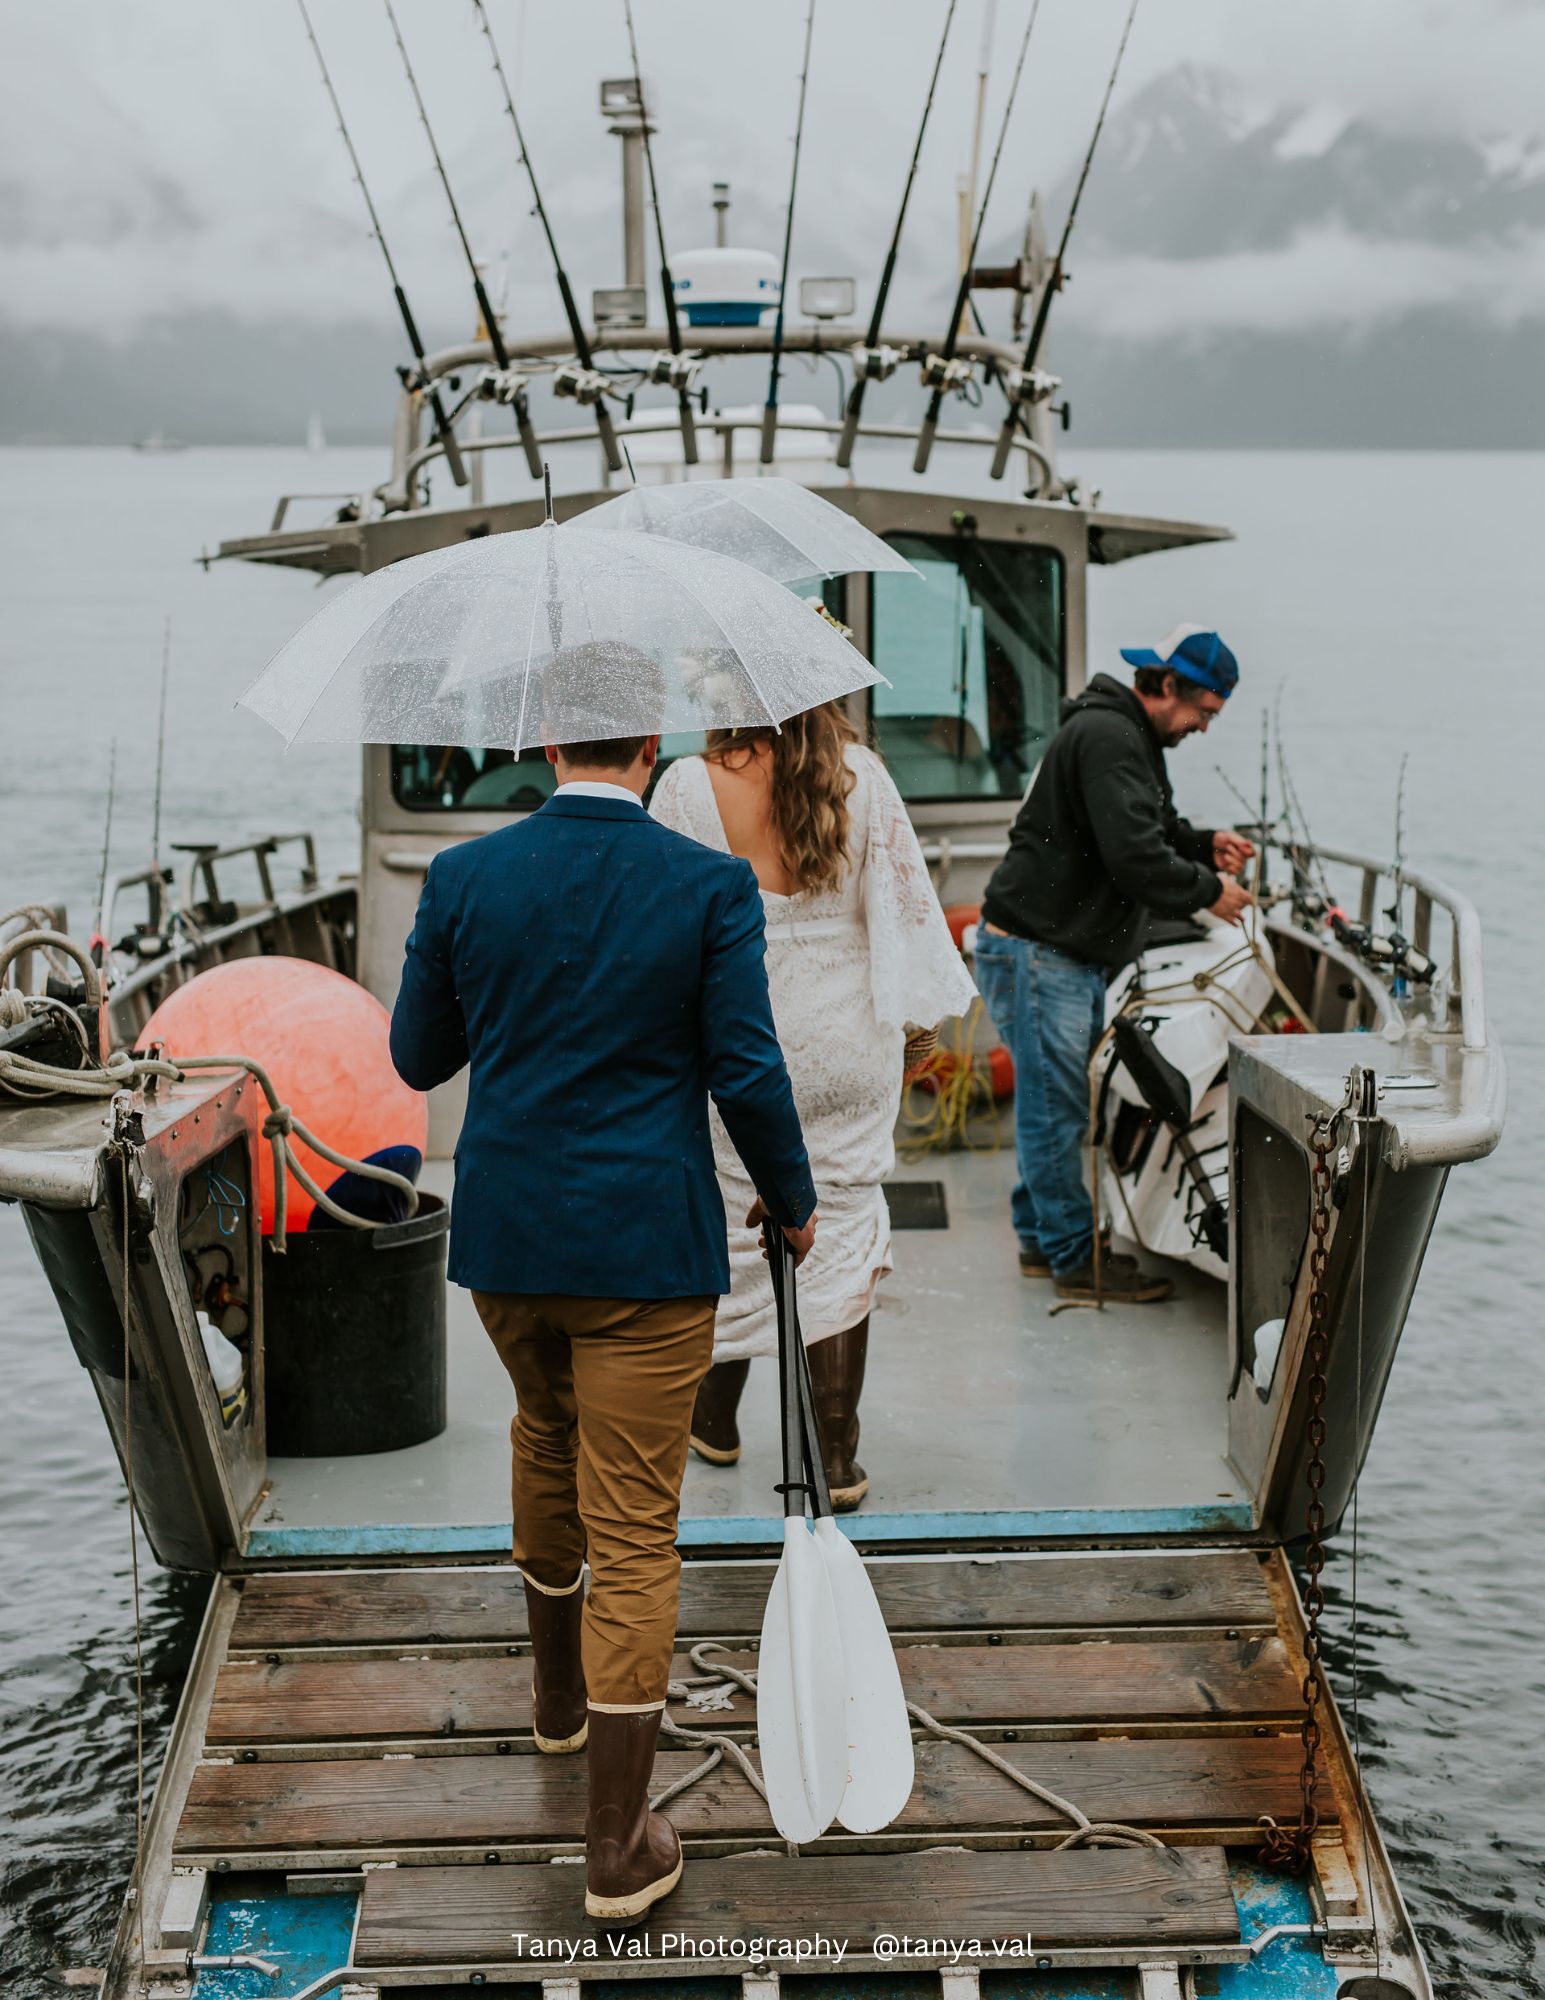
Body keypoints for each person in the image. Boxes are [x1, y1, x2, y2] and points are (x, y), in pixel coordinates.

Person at [388, 661, 817, 1927]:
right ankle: (617, 1845)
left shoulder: (465, 877)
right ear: (650, 745)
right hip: (644, 1253)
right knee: (635, 1523)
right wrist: (793, 1198)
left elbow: (420, 1053)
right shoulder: (705, 885)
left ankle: (558, 1706)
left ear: (545, 740)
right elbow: (745, 1066)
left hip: (509, 1247)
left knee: (542, 1430)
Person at [651, 703, 977, 1508]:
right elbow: (906, 916)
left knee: (731, 1220)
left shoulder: (689, 786)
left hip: (741, 1041)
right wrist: (913, 1032)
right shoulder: (864, 777)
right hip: (846, 1044)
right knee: (839, 1230)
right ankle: (835, 1461)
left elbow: (659, 925)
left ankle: (713, 1422)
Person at [975, 625, 1255, 1307]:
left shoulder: (1125, 734)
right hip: (1038, 954)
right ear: (1164, 686)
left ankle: (1043, 1241)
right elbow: (1132, 857)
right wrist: (1208, 891)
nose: (1201, 728)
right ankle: (1075, 1259)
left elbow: (1145, 829)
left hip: (1048, 952)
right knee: (1056, 1114)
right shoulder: (1109, 737)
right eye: (1201, 713)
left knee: (1051, 1108)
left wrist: (1199, 842)